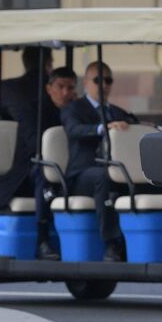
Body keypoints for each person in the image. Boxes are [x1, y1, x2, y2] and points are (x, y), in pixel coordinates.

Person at [61, 61, 144, 262]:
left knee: (148, 178)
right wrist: (103, 128)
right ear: (86, 83)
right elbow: (74, 129)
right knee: (104, 177)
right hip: (83, 174)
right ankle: (112, 242)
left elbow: (136, 126)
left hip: (116, 170)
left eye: (108, 80)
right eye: (98, 80)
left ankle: (142, 239)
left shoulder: (117, 112)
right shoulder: (74, 109)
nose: (104, 85)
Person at [0, 47, 53, 218]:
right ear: (49, 64)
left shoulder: (7, 88)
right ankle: (43, 236)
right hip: (33, 162)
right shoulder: (55, 88)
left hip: (22, 163)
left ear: (25, 63)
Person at [32, 66, 77, 260]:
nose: (65, 93)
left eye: (70, 88)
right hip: (33, 165)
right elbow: (32, 143)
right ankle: (42, 239)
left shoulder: (76, 109)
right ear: (49, 88)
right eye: (60, 87)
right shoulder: (36, 110)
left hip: (69, 165)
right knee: (44, 176)